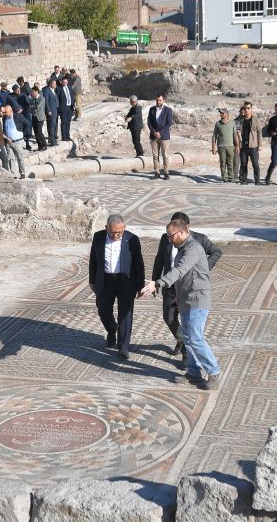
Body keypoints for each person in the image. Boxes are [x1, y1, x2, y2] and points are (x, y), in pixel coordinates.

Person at [140, 218, 221, 390]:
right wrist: (177, 295)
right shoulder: (182, 249)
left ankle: (213, 371)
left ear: (182, 232)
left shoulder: (193, 249)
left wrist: (157, 283)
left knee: (196, 338)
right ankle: (193, 373)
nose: (169, 240)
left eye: (171, 236)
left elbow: (179, 271)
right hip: (185, 300)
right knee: (188, 339)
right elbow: (182, 278)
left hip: (197, 300)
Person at [88, 214, 145, 360]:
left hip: (126, 280)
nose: (116, 235)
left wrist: (140, 286)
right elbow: (93, 260)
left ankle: (123, 345)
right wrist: (92, 280)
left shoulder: (132, 239)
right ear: (106, 228)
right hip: (105, 280)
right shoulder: (99, 237)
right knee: (103, 310)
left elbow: (139, 264)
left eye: (119, 232)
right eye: (112, 232)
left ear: (124, 228)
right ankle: (112, 329)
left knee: (125, 314)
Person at [147, 94, 173, 180]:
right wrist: (154, 132)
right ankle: (157, 172)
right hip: (153, 136)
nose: (158, 102)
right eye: (157, 100)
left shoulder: (168, 110)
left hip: (164, 136)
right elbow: (149, 122)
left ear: (163, 100)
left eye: (160, 100)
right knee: (155, 155)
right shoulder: (152, 110)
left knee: (165, 155)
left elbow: (168, 123)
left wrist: (160, 133)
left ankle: (166, 172)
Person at [237, 101, 262, 185]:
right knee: (243, 164)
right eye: (245, 108)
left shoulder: (255, 120)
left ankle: (257, 181)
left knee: (255, 164)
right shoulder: (241, 120)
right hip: (243, 145)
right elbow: (236, 128)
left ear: (251, 109)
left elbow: (259, 133)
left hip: (253, 146)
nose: (246, 110)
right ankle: (244, 180)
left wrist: (260, 145)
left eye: (248, 108)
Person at [211, 108, 239, 182]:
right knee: (223, 162)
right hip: (221, 146)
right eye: (220, 113)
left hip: (230, 146)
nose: (221, 114)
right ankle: (224, 177)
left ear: (227, 114)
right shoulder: (217, 123)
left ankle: (231, 177)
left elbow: (235, 135)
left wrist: (237, 146)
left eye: (222, 113)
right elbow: (214, 136)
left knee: (230, 162)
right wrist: (213, 147)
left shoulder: (232, 123)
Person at [3, 105, 27, 179]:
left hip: (18, 141)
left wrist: (24, 135)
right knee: (11, 158)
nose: (4, 114)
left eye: (6, 112)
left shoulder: (18, 116)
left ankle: (22, 173)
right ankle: (14, 175)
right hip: (8, 142)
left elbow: (27, 124)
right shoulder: (4, 119)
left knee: (20, 157)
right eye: (4, 112)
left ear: (11, 111)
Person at [42, 78, 59, 147]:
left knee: (54, 125)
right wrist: (48, 110)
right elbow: (46, 101)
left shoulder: (53, 90)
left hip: (55, 110)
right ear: (50, 84)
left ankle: (52, 138)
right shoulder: (47, 90)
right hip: (51, 111)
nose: (56, 85)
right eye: (54, 84)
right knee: (51, 125)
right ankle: (52, 140)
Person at [29, 86, 47, 151]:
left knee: (39, 131)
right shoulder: (32, 99)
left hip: (40, 117)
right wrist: (33, 108)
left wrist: (33, 107)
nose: (31, 93)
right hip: (34, 117)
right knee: (36, 133)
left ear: (36, 92)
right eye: (31, 92)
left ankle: (44, 145)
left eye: (33, 92)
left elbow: (38, 107)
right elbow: (30, 108)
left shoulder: (41, 98)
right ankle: (40, 146)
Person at [57, 76, 74, 141]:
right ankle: (64, 137)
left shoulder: (69, 87)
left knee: (68, 122)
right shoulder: (59, 89)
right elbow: (57, 99)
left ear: (67, 82)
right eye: (63, 82)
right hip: (63, 108)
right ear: (61, 82)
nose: (64, 84)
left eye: (66, 82)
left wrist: (73, 103)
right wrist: (59, 108)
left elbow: (71, 96)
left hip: (69, 107)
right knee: (64, 122)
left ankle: (67, 135)